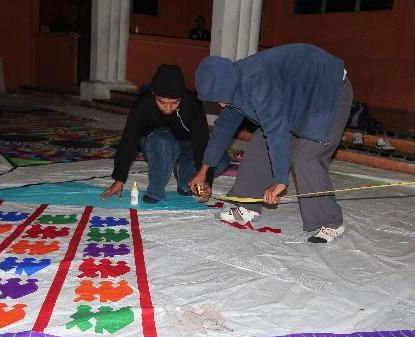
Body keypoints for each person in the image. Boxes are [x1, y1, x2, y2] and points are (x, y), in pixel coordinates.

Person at [189, 44, 353, 243]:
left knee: (306, 158)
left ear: (227, 87)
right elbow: (223, 128)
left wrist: (280, 181)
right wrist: (204, 170)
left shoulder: (257, 82)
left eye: (220, 99)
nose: (221, 105)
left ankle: (330, 222)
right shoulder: (231, 83)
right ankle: (248, 206)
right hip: (296, 97)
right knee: (260, 146)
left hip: (327, 90)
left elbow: (276, 130)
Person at [100, 64, 228, 203]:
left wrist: (206, 181)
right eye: (162, 102)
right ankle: (156, 191)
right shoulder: (143, 104)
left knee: (222, 158)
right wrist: (119, 179)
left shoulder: (192, 105)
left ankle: (185, 180)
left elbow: (201, 144)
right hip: (158, 147)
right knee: (163, 139)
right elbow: (129, 140)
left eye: (174, 103)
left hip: (186, 148)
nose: (168, 108)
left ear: (181, 97)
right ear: (154, 94)